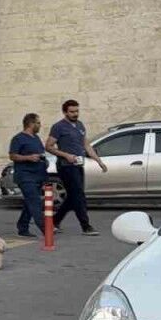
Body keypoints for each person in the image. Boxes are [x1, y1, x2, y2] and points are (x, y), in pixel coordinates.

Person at [47, 99, 107, 236]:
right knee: (79, 196)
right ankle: (86, 226)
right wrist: (66, 155)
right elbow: (49, 146)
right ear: (65, 112)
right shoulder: (58, 127)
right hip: (66, 166)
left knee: (74, 196)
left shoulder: (80, 125)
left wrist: (99, 161)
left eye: (77, 111)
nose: (75, 114)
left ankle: (54, 221)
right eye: (72, 112)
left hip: (79, 165)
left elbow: (86, 145)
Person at [8, 113, 49, 238]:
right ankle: (45, 229)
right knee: (35, 202)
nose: (40, 125)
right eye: (38, 123)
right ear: (31, 124)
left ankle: (22, 226)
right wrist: (28, 157)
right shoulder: (18, 139)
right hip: (25, 176)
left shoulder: (36, 138)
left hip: (38, 175)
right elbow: (13, 155)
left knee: (29, 203)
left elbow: (40, 153)